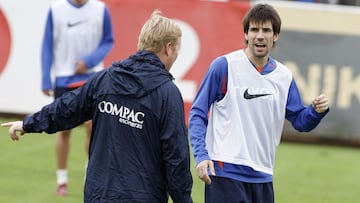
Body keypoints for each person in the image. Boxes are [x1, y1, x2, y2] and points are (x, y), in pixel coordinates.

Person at [2, 10, 193, 203]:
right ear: (168, 48)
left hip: (99, 195)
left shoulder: (106, 78)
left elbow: (67, 107)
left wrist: (28, 124)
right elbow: (176, 157)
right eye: (177, 49)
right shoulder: (167, 93)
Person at [188, 3, 329, 203]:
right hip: (225, 172)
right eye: (254, 29)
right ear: (246, 34)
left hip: (263, 175)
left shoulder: (284, 76)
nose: (260, 35)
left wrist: (315, 111)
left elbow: (300, 121)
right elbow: (198, 113)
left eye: (266, 30)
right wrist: (201, 155)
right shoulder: (224, 66)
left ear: (276, 36)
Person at [40, 0, 114, 196]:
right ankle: (61, 180)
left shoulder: (100, 9)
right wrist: (46, 78)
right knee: (64, 130)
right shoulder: (56, 10)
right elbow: (47, 44)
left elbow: (108, 40)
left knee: (92, 127)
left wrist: (89, 61)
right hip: (64, 77)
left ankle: (90, 177)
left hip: (92, 78)